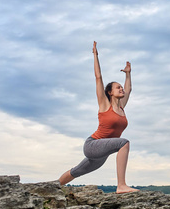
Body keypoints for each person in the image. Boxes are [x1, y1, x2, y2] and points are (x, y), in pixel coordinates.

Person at [58, 41, 139, 194]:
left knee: (76, 171)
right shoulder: (104, 104)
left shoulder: (122, 107)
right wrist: (95, 55)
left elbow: (129, 89)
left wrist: (128, 74)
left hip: (101, 153)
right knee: (124, 143)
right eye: (118, 87)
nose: (121, 89)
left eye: (121, 87)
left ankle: (52, 187)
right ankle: (121, 185)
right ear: (110, 92)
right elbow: (98, 77)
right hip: (93, 145)